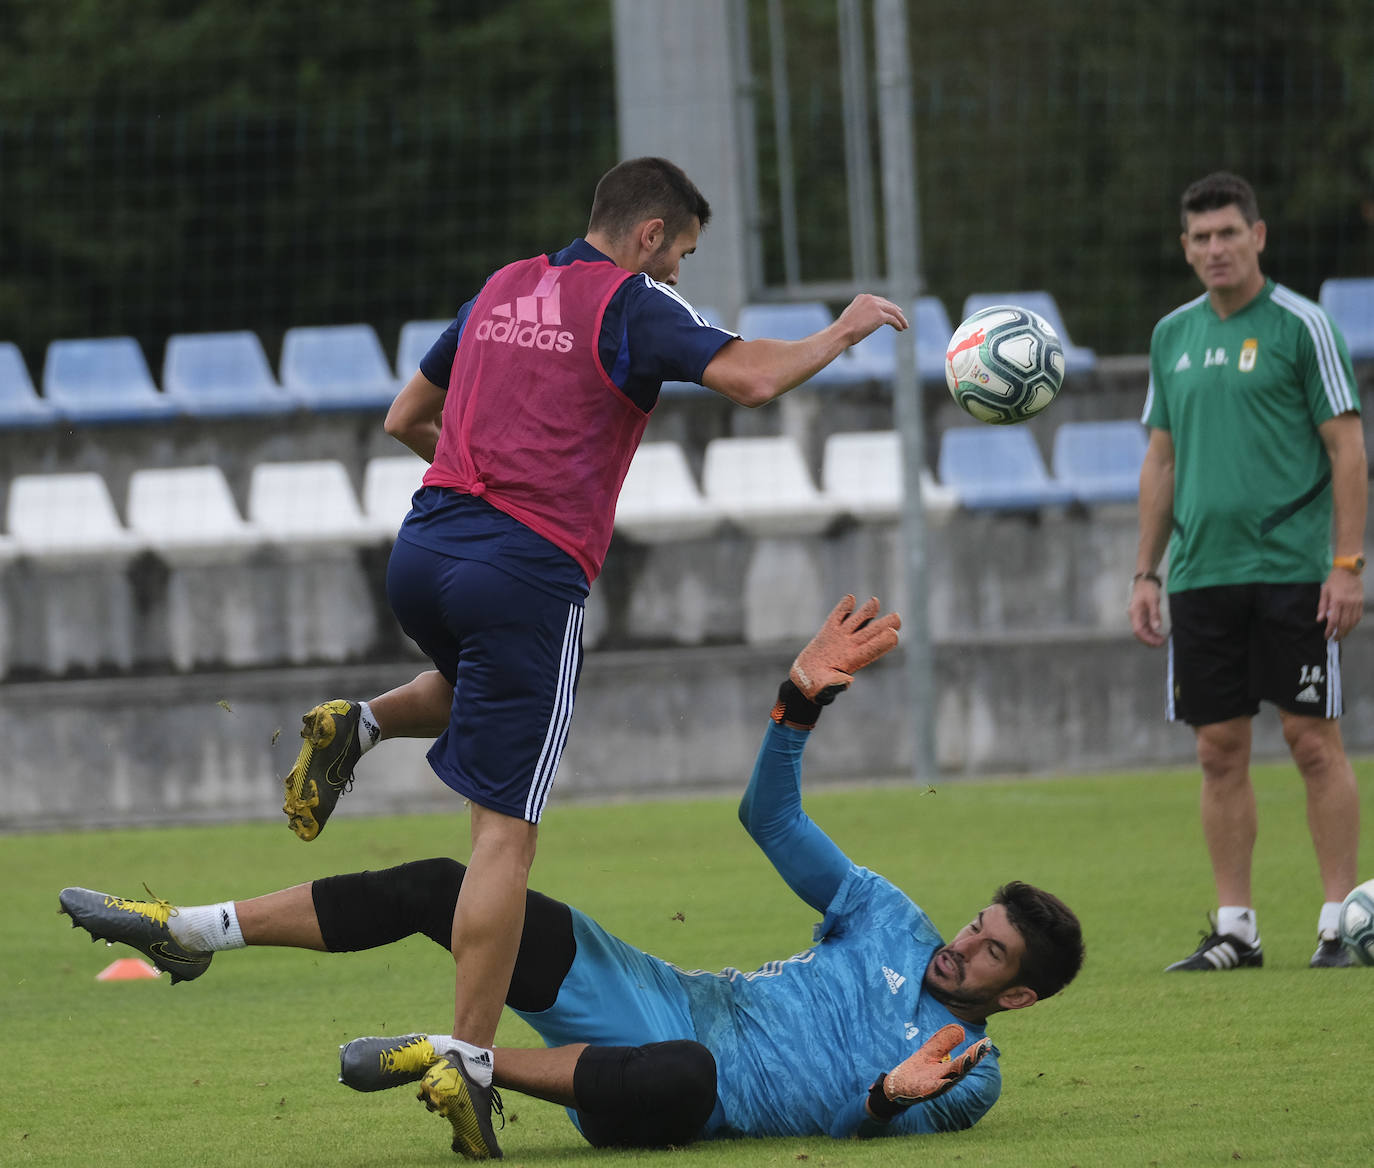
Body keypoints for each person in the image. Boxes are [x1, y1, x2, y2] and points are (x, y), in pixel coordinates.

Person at [276, 156, 910, 1145]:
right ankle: (470, 1065)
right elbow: (748, 379)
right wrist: (845, 327)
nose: (680, 279)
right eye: (684, 256)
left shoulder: (503, 285)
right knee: (504, 837)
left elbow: (406, 418)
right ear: (649, 235)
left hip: (423, 546)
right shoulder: (628, 303)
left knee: (477, 685)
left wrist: (469, 503)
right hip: (522, 572)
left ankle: (363, 720)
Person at [61, 596, 1084, 1159]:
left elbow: (854, 1120)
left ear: (1020, 992)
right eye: (977, 922)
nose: (964, 941)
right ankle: (193, 930)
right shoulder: (889, 918)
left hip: (671, 1088)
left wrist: (886, 1097)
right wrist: (796, 706)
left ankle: (467, 1062)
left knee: (694, 1078)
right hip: (661, 991)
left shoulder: (970, 1072)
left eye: (991, 949)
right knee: (445, 886)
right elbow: (767, 817)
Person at [1128, 170, 1366, 972]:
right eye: (1200, 237)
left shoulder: (1304, 326)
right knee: (1217, 750)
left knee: (1312, 742)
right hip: (1200, 576)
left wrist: (1347, 564)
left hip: (1296, 571)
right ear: (1185, 247)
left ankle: (1340, 923)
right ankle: (1236, 929)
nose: (1215, 248)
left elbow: (1348, 450)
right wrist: (1144, 573)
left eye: (1229, 232)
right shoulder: (1172, 336)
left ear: (1257, 236)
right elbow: (1159, 461)